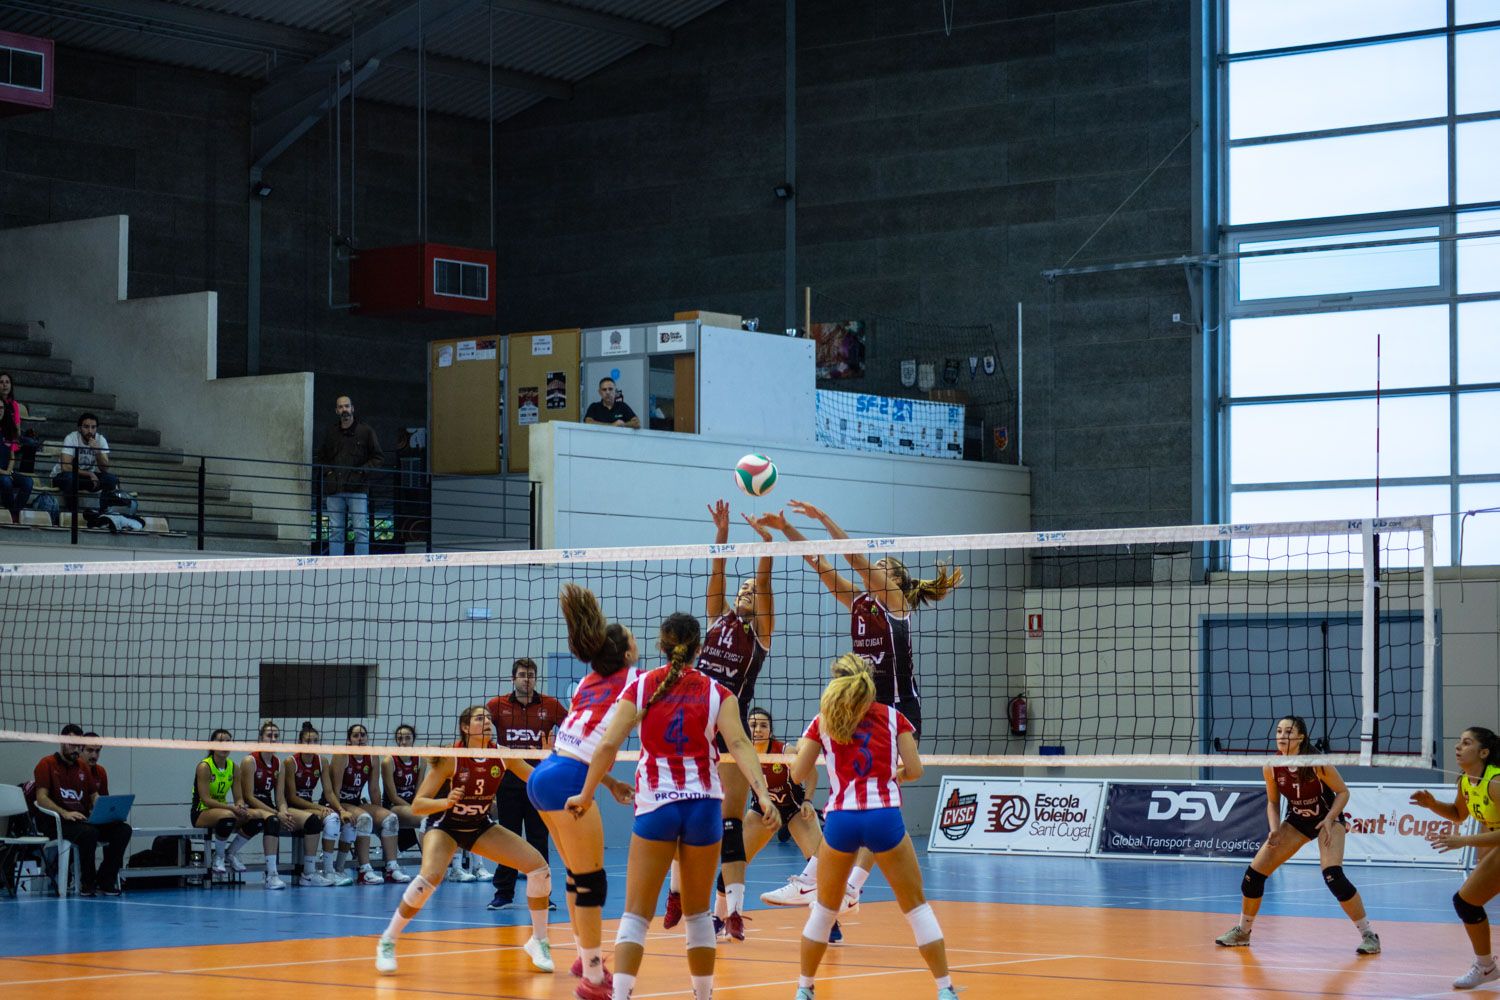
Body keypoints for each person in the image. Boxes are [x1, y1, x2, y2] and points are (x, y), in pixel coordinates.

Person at [759, 501, 961, 911]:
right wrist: (787, 529)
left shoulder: (895, 606)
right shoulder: (860, 603)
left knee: (875, 799)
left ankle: (843, 884)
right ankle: (825, 883)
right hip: (860, 712)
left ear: (897, 583)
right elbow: (820, 564)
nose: (875, 570)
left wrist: (823, 519)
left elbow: (852, 556)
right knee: (850, 796)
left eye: (883, 567)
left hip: (897, 714)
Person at [564, 611, 776, 1000]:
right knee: (697, 916)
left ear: (661, 646)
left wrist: (588, 791)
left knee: (636, 915)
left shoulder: (642, 686)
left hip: (656, 806)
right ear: (699, 649)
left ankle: (623, 994)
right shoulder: (718, 693)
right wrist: (762, 795)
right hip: (703, 808)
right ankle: (703, 995)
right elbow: (742, 746)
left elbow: (608, 744)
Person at [789, 655, 956, 1000]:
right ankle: (945, 990)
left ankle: (804, 989)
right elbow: (916, 770)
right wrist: (897, 775)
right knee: (916, 907)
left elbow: (796, 774)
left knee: (823, 910)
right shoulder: (895, 718)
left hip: (841, 820)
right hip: (884, 816)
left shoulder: (823, 721)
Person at [375, 706, 555, 976]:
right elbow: (418, 805)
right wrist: (444, 802)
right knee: (430, 878)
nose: (486, 723)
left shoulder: (503, 756)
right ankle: (388, 940)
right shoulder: (451, 757)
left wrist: (552, 757)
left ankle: (538, 941)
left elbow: (538, 780)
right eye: (479, 719)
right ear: (464, 727)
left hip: (479, 826)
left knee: (539, 868)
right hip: (446, 826)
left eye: (488, 719)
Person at [665, 500, 775, 940]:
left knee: (729, 823)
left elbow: (764, 581)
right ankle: (675, 895)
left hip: (731, 728)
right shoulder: (716, 620)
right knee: (681, 810)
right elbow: (717, 573)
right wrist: (723, 535)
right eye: (743, 588)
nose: (747, 591)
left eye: (753, 589)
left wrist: (767, 545)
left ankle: (732, 911)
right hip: (693, 725)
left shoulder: (761, 634)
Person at [525, 583, 640, 998]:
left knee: (576, 876)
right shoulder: (636, 682)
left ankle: (582, 956)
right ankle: (593, 978)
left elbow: (582, 741)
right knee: (591, 883)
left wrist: (606, 783)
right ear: (627, 654)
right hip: (569, 780)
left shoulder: (587, 680)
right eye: (632, 638)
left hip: (547, 774)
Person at [1215, 715, 1380, 955]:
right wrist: (1274, 829)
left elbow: (1343, 792)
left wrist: (1330, 818)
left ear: (1301, 736)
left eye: (1289, 732)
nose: (1282, 736)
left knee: (1334, 876)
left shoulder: (1316, 763)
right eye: (1279, 731)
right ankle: (1242, 932)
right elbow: (1272, 802)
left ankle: (1369, 935)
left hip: (1326, 819)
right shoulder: (1271, 765)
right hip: (1296, 822)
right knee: (1253, 875)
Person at [740, 707, 840, 942]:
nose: (758, 729)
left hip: (795, 810)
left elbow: (812, 774)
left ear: (771, 730)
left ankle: (830, 922)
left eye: (763, 725)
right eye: (753, 725)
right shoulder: (740, 752)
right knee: (735, 859)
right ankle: (725, 916)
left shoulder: (785, 751)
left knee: (820, 863)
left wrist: (807, 801)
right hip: (762, 812)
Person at [1412, 726, 1500, 989]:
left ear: (1483, 752)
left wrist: (1463, 840)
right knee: (1466, 902)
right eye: (1459, 742)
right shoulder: (1465, 780)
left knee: (1467, 901)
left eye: (1466, 743)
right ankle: (1485, 967)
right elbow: (1459, 814)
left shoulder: (1495, 782)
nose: (1457, 747)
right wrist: (1433, 804)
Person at [486, 657, 566, 910]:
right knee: (508, 838)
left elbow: (572, 730)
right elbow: (483, 738)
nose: (527, 679)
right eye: (522, 674)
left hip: (539, 782)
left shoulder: (551, 705)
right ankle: (504, 894)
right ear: (513, 678)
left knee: (538, 838)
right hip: (507, 782)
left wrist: (556, 751)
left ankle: (543, 894)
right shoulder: (496, 706)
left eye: (531, 674)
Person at [32, 724, 131, 896]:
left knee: (122, 830)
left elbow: (94, 796)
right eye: (72, 744)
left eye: (79, 745)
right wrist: (64, 812)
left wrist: (105, 812)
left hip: (82, 820)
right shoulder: (46, 764)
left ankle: (105, 880)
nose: (76, 749)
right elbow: (41, 798)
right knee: (89, 833)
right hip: (57, 821)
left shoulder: (83, 767)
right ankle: (87, 883)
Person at [324, 723, 408, 885]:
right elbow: (334, 791)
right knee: (364, 818)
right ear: (349, 740)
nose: (360, 738)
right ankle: (364, 871)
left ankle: (391, 868)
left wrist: (379, 814)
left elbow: (374, 789)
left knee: (390, 819)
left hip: (355, 802)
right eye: (356, 736)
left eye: (363, 735)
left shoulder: (372, 756)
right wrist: (341, 810)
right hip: (338, 802)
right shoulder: (342, 755)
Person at [234, 720, 304, 890]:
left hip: (268, 808)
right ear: (260, 738)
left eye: (276, 736)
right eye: (269, 735)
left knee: (281, 819)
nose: (273, 739)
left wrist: (283, 811)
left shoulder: (278, 764)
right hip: (250, 807)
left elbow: (280, 797)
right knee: (272, 820)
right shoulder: (250, 761)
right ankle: (271, 874)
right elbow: (249, 796)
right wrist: (275, 812)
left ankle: (307, 871)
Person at [315, 394, 383, 556]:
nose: (344, 409)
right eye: (340, 407)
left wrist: (362, 471)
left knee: (360, 530)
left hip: (358, 489)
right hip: (335, 489)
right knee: (335, 531)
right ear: (336, 411)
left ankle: (361, 567)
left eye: (346, 406)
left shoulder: (366, 431)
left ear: (352, 408)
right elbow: (321, 457)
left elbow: (378, 457)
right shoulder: (331, 432)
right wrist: (329, 473)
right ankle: (336, 567)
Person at [191, 729, 263, 878]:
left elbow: (238, 797)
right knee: (228, 816)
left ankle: (231, 853)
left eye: (228, 742)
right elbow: (206, 799)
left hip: (223, 811)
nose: (225, 745)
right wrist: (232, 808)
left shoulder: (233, 767)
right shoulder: (204, 767)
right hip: (202, 812)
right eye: (220, 741)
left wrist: (241, 806)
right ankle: (219, 857)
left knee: (257, 818)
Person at [282, 721, 337, 886]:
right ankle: (308, 873)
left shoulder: (322, 761)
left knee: (333, 818)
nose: (311, 744)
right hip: (293, 807)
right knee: (314, 820)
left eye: (315, 741)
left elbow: (329, 792)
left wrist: (339, 808)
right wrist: (319, 807)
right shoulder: (290, 762)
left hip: (308, 806)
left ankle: (329, 871)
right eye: (308, 741)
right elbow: (291, 797)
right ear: (300, 742)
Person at [50, 412, 119, 514]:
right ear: (79, 428)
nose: (90, 431)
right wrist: (89, 473)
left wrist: (98, 451)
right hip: (63, 476)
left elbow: (104, 468)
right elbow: (65, 467)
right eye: (86, 427)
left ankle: (103, 512)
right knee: (69, 478)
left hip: (85, 479)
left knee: (111, 479)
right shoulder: (71, 438)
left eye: (93, 427)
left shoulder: (100, 440)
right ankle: (72, 512)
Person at [381, 723, 426, 865]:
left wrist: (417, 806)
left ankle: (446, 863)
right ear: (396, 740)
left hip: (413, 805)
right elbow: (393, 796)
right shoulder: (389, 761)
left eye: (408, 738)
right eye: (400, 739)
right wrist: (414, 809)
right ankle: (428, 865)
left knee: (440, 817)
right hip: (394, 806)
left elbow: (419, 790)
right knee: (426, 819)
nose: (404, 742)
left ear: (413, 739)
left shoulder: (420, 760)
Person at [0, 389, 31, 523]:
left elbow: (12, 454)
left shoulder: (8, 429)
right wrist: (4, 472)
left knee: (28, 482)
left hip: (7, 471)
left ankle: (14, 512)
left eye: (1, 407)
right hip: (2, 472)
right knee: (6, 481)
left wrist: (8, 470)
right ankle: (11, 513)